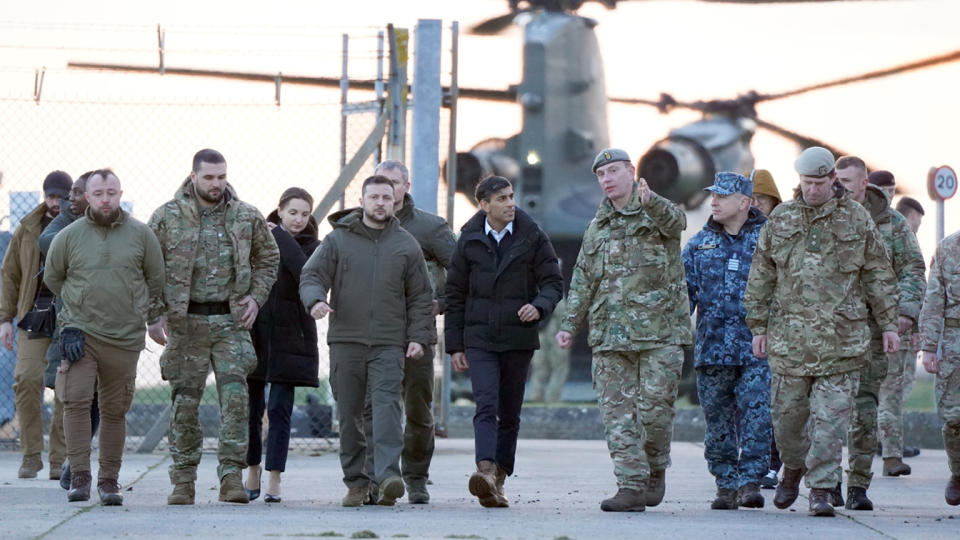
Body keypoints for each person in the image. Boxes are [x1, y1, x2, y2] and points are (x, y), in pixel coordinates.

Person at [743, 146, 900, 517]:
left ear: (833, 179)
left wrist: (889, 323)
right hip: (789, 342)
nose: (813, 190)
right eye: (806, 183)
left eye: (819, 182)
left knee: (830, 424)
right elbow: (761, 276)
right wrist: (757, 327)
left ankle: (822, 490)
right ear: (799, 181)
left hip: (841, 343)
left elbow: (878, 273)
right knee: (788, 424)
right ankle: (793, 467)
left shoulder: (856, 219)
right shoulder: (780, 219)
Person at [556, 149, 692, 513]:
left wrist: (651, 201)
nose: (607, 179)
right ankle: (630, 486)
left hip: (660, 333)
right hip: (610, 334)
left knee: (655, 414)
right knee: (617, 415)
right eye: (601, 174)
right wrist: (570, 324)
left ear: (631, 172)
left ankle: (655, 468)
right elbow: (583, 279)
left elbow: (677, 223)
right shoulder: (597, 227)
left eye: (613, 171)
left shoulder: (656, 212)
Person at [148, 149, 279, 505]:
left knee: (236, 402)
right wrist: (154, 314)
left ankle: (231, 477)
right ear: (193, 177)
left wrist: (255, 297)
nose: (216, 184)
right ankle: (183, 480)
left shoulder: (245, 216)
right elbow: (146, 267)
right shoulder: (166, 217)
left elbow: (268, 259)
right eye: (209, 177)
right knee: (184, 403)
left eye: (221, 177)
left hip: (231, 323)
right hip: (185, 323)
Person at [300, 175, 433, 507]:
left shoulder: (406, 245)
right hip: (346, 340)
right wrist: (315, 300)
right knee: (349, 414)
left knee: (387, 410)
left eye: (387, 197)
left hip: (389, 343)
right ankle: (358, 483)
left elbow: (420, 296)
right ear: (361, 201)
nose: (380, 203)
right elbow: (312, 274)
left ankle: (387, 477)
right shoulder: (338, 241)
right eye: (374, 197)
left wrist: (417, 336)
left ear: (395, 201)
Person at [45, 169, 164, 505]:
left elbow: (156, 279)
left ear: (120, 193)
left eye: (111, 192)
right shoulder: (68, 236)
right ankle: (80, 477)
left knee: (114, 410)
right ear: (86, 196)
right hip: (81, 334)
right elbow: (55, 280)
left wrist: (146, 315)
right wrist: (71, 320)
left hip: (125, 336)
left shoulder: (141, 235)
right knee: (76, 402)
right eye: (98, 193)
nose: (105, 199)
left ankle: (109, 481)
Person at [446, 175, 563, 509]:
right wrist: (455, 346)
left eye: (512, 196)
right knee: (486, 403)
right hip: (479, 337)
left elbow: (553, 282)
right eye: (502, 199)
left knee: (510, 413)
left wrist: (538, 306)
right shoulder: (468, 239)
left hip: (517, 337)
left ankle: (497, 480)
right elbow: (454, 294)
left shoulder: (532, 236)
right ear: (484, 205)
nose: (511, 203)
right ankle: (483, 470)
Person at [360, 160, 457, 504]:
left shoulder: (430, 228)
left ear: (406, 187)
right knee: (374, 408)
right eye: (381, 183)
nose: (388, 189)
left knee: (417, 410)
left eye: (394, 183)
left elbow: (460, 271)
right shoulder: (362, 226)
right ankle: (379, 480)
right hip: (374, 333)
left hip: (417, 333)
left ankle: (416, 478)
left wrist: (441, 303)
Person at [833, 157, 925, 508]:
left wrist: (904, 311)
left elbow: (914, 270)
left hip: (872, 332)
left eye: (847, 180)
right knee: (826, 411)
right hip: (826, 333)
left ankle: (857, 485)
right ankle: (826, 483)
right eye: (836, 179)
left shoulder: (892, 223)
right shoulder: (822, 216)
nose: (841, 186)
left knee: (865, 409)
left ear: (864, 182)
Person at [682, 172, 771, 510]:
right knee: (718, 422)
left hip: (757, 350)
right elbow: (684, 298)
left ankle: (750, 482)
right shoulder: (698, 244)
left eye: (722, 196)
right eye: (713, 195)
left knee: (758, 417)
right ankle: (725, 483)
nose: (714, 201)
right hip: (713, 350)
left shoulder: (769, 241)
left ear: (744, 202)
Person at [244, 187, 321, 504]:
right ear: (279, 211)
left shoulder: (315, 246)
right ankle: (252, 468)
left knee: (279, 409)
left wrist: (282, 238)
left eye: (305, 213)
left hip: (293, 336)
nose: (299, 219)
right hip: (256, 333)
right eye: (293, 213)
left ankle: (275, 476)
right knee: (252, 408)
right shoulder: (259, 239)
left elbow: (305, 272)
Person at [1, 170, 71, 479]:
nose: (56, 202)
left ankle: (59, 460)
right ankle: (31, 456)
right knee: (26, 380)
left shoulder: (79, 224)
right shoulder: (27, 228)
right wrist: (4, 319)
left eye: (61, 196)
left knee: (67, 389)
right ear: (45, 196)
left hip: (69, 318)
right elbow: (10, 275)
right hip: (33, 316)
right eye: (51, 196)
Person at [37, 171, 102, 489]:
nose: (69, 198)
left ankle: (79, 463)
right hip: (73, 322)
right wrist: (81, 234)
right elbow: (46, 241)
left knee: (101, 398)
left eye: (77, 193)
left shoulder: (117, 224)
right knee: (76, 396)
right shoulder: (65, 222)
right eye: (70, 193)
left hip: (110, 323)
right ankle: (74, 464)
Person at [917, 229, 960, 505]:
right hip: (955, 345)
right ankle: (958, 473)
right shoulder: (947, 249)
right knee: (954, 418)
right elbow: (934, 300)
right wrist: (930, 346)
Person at [527, 298, 571, 403]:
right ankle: (538, 395)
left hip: (556, 330)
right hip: (543, 331)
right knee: (540, 365)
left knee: (558, 365)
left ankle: (552, 397)